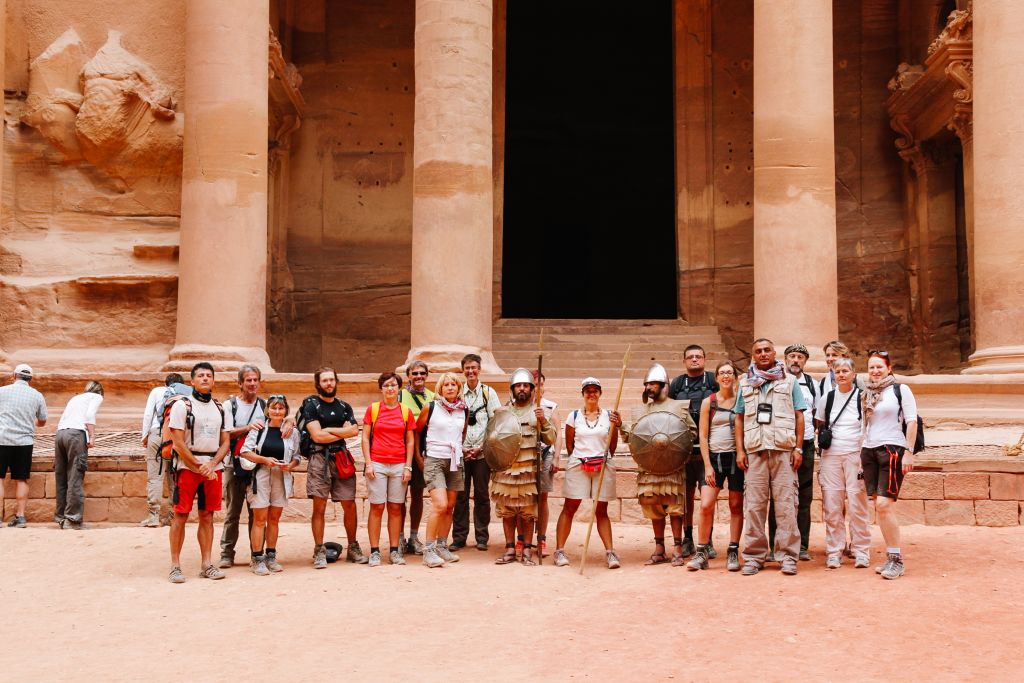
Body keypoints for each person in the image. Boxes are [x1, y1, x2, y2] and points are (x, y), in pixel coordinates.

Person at [734, 339, 807, 576]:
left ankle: (787, 556)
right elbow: (738, 418)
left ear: (775, 353)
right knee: (754, 506)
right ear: (753, 356)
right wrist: (740, 451)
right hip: (755, 451)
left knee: (786, 504)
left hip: (783, 450)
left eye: (767, 350)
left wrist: (798, 449)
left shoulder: (790, 381)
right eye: (758, 351)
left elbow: (799, 415)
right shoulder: (745, 383)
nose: (763, 354)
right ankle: (755, 556)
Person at [619, 363, 694, 566]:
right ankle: (659, 548)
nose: (649, 388)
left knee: (675, 507)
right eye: (647, 384)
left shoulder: (679, 407)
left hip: (672, 466)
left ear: (663, 385)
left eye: (653, 384)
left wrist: (675, 448)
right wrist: (621, 425)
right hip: (649, 466)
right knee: (653, 506)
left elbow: (690, 434)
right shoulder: (642, 411)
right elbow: (634, 436)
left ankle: (678, 547)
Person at [167, 362, 231, 583]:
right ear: (192, 381)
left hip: (212, 467)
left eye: (209, 375)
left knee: (207, 515)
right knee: (181, 515)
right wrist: (196, 465)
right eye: (201, 376)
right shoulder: (182, 406)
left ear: (213, 380)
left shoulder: (220, 408)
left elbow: (226, 441)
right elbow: (177, 440)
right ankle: (175, 565)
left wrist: (212, 463)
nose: (205, 378)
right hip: (187, 466)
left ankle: (207, 563)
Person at [552, 377, 622, 569]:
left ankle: (610, 552)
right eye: (588, 391)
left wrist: (618, 424)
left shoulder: (609, 416)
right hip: (579, 463)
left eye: (595, 390)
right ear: (582, 394)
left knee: (601, 510)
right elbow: (570, 445)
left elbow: (612, 445)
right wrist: (582, 458)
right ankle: (559, 550)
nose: (591, 394)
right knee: (570, 506)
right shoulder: (573, 416)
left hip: (602, 462)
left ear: (600, 393)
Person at [861, 350, 918, 580]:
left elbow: (912, 421)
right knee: (878, 505)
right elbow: (864, 424)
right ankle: (891, 557)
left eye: (879, 367)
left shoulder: (900, 389)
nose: (875, 371)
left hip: (892, 449)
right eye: (871, 367)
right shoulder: (866, 393)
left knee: (884, 504)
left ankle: (897, 560)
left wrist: (909, 452)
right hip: (869, 450)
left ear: (889, 368)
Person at [302, 367, 365, 569]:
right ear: (318, 384)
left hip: (341, 458)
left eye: (331, 380)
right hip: (319, 458)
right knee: (319, 506)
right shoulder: (310, 404)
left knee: (349, 504)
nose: (329, 384)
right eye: (325, 381)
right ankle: (319, 549)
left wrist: (328, 430)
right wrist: (342, 432)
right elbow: (317, 436)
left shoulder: (344, 407)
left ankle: (353, 546)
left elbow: (355, 430)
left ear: (336, 382)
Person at [493, 368, 555, 566]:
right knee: (508, 511)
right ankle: (510, 548)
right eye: (518, 385)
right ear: (512, 389)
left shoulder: (539, 413)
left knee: (528, 513)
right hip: (506, 470)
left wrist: (543, 421)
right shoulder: (504, 412)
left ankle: (527, 550)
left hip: (529, 469)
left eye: (525, 385)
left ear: (531, 389)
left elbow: (551, 438)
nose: (522, 389)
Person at [814, 358, 871, 570]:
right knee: (832, 505)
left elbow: (868, 426)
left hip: (855, 454)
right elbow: (820, 423)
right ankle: (834, 551)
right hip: (831, 455)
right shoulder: (827, 398)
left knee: (857, 504)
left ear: (854, 374)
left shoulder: (862, 397)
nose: (841, 374)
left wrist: (865, 458)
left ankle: (861, 550)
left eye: (845, 371)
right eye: (838, 371)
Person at [238, 394, 301, 575]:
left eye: (281, 408)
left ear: (285, 411)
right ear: (268, 410)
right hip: (262, 475)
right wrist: (264, 460)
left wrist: (290, 465)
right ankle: (257, 558)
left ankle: (271, 556)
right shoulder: (259, 429)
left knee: (274, 518)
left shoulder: (292, 432)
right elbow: (245, 451)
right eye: (274, 408)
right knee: (259, 519)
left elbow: (296, 456)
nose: (277, 411)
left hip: (281, 476)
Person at [690, 361, 743, 571]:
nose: (726, 376)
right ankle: (702, 550)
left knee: (736, 506)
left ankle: (732, 550)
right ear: (717, 378)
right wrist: (708, 465)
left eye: (730, 372)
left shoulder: (741, 401)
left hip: (736, 458)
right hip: (714, 458)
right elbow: (702, 435)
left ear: (735, 377)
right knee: (706, 505)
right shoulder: (708, 402)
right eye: (722, 373)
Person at [668, 345, 719, 558]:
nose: (695, 360)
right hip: (684, 448)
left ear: (705, 360)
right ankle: (688, 536)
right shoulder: (678, 384)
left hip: (709, 448)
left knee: (708, 496)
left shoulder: (712, 381)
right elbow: (668, 409)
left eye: (698, 356)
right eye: (690, 357)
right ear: (684, 361)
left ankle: (707, 539)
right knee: (686, 496)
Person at [361, 372, 416, 567]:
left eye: (393, 385)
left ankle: (394, 550)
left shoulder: (405, 411)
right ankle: (375, 551)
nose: (390, 389)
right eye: (386, 385)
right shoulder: (373, 410)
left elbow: (410, 441)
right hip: (378, 463)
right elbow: (365, 438)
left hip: (400, 464)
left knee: (395, 507)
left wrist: (408, 466)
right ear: (381, 388)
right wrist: (368, 463)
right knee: (377, 507)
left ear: (399, 388)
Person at [768, 344, 817, 561]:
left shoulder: (813, 385)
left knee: (804, 497)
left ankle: (802, 545)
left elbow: (817, 415)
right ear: (785, 359)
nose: (795, 360)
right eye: (791, 356)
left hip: (805, 443)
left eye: (799, 357)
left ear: (805, 361)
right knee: (778, 496)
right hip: (782, 444)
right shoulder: (776, 381)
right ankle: (774, 545)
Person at [218, 364, 266, 568]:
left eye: (255, 380)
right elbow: (225, 434)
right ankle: (227, 553)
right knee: (232, 511)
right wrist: (248, 427)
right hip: (233, 463)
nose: (252, 383)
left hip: (255, 464)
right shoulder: (230, 406)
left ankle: (257, 553)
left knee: (257, 512)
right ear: (240, 383)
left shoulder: (265, 405)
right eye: (248, 380)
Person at [418, 372, 468, 568]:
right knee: (440, 505)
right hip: (435, 459)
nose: (450, 387)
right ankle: (428, 550)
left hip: (455, 460)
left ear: (458, 388)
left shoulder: (463, 409)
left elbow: (461, 432)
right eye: (446, 384)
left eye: (453, 384)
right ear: (440, 388)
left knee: (449, 507)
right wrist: (420, 458)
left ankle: (441, 545)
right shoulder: (431, 407)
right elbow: (417, 431)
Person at [451, 353, 500, 551]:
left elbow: (496, 422)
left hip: (481, 453)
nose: (470, 371)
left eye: (474, 368)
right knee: (460, 496)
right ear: (463, 371)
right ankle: (459, 537)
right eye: (467, 368)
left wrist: (481, 446)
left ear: (479, 369)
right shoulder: (456, 392)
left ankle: (481, 537)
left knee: (481, 495)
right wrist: (461, 448)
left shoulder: (489, 393)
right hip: (460, 452)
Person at [0, 364, 47, 528]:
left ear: (14, 375)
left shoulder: (2, 391)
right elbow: (42, 420)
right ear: (31, 379)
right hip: (24, 442)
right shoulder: (37, 395)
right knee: (21, 479)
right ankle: (20, 517)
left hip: (2, 439)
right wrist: (29, 423)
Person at [53, 381, 104, 530]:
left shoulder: (76, 398)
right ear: (99, 391)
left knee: (61, 477)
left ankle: (61, 517)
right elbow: (89, 416)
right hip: (75, 435)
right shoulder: (96, 397)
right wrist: (92, 436)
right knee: (75, 475)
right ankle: (72, 519)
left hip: (60, 434)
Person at [398, 360, 434, 555]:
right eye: (415, 373)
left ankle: (413, 536)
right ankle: (400, 537)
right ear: (408, 376)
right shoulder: (400, 395)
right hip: (403, 448)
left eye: (422, 373)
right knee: (400, 495)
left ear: (427, 375)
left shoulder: (433, 396)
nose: (419, 376)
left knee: (418, 494)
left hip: (424, 447)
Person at [139, 373, 185, 527]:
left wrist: (144, 436)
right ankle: (173, 516)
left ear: (166, 383)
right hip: (177, 436)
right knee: (174, 477)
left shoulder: (157, 391)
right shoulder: (185, 394)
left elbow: (148, 414)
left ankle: (154, 516)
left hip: (157, 433)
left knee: (155, 476)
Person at [529, 371, 559, 559]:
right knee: (523, 498)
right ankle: (521, 538)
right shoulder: (518, 404)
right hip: (525, 455)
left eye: (541, 384)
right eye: (534, 384)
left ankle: (541, 537)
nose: (538, 387)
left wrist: (556, 457)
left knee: (542, 498)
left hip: (546, 453)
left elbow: (558, 432)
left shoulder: (550, 406)